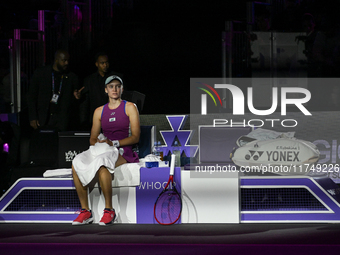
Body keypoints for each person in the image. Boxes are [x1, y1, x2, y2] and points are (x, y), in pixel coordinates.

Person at [71, 75, 140, 226]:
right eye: (111, 86)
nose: (114, 89)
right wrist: (102, 142)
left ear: (121, 89)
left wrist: (114, 143)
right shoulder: (99, 111)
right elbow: (92, 139)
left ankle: (109, 210)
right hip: (104, 148)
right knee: (76, 162)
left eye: (117, 86)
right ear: (105, 90)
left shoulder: (130, 107)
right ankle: (85, 211)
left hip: (123, 150)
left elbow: (135, 137)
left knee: (103, 164)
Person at [27, 49, 79, 131]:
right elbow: (32, 97)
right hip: (43, 117)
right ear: (56, 60)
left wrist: (76, 96)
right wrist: (33, 117)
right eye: (64, 60)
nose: (67, 63)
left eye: (68, 60)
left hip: (62, 120)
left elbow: (74, 97)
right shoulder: (41, 73)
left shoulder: (71, 77)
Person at [78, 52, 123, 130]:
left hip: (113, 117)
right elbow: (85, 103)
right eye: (102, 63)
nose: (105, 65)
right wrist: (83, 121)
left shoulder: (116, 77)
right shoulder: (89, 80)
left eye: (106, 62)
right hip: (95, 118)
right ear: (97, 64)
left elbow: (123, 97)